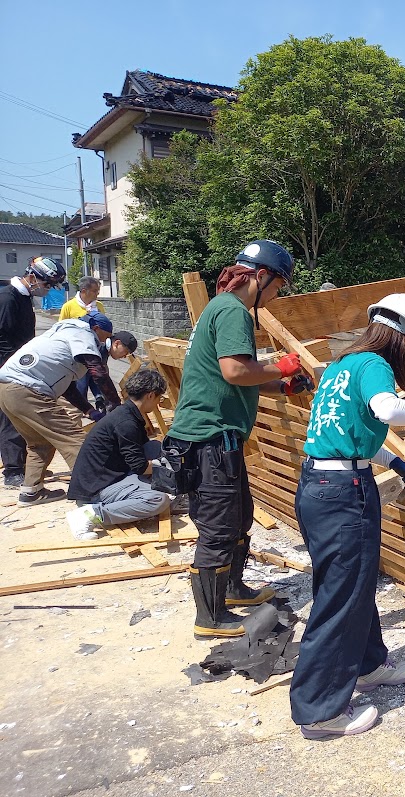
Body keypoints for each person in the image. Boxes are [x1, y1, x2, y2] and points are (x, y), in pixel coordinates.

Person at [290, 292, 405, 739]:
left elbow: (348, 436)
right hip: (344, 497)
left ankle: (368, 663)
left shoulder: (342, 367)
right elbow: (388, 410)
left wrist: (395, 463)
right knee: (339, 598)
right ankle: (319, 711)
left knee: (350, 585)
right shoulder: (376, 364)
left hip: (318, 487)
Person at [164, 240, 311, 640]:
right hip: (208, 439)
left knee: (239, 516)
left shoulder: (220, 307)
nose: (278, 294)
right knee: (218, 528)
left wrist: (279, 385)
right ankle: (210, 618)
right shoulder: (233, 311)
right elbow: (234, 371)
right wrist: (279, 364)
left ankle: (233, 588)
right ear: (261, 277)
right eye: (279, 285)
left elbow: (236, 377)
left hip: (218, 440)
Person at [0, 311, 121, 506]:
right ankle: (93, 494)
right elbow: (97, 372)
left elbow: (68, 387)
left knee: (39, 442)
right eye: (105, 337)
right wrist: (116, 404)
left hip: (7, 390)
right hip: (27, 390)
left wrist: (89, 410)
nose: (103, 342)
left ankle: (31, 492)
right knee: (75, 439)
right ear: (96, 329)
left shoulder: (61, 334)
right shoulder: (83, 334)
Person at [66, 368, 170, 540]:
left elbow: (142, 451)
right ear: (151, 395)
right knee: (158, 500)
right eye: (159, 398)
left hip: (106, 476)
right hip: (96, 489)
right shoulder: (126, 423)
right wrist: (171, 468)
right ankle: (91, 514)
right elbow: (140, 467)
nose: (159, 403)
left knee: (154, 447)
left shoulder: (127, 413)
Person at [0, 256, 66, 488]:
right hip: (9, 369)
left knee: (23, 419)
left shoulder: (24, 298)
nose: (47, 289)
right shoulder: (9, 298)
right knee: (11, 419)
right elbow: (3, 339)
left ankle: (25, 466)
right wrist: (15, 367)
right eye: (47, 284)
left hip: (21, 366)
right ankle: (13, 471)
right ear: (32, 277)